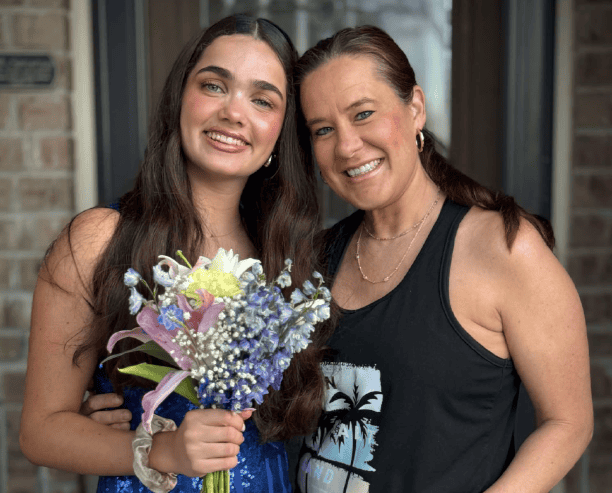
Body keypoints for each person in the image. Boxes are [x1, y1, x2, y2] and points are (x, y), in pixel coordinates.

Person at [20, 14, 331, 493]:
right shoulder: (99, 240)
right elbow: (41, 432)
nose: (233, 112)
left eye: (262, 99)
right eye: (213, 85)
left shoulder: (288, 262)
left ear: (279, 135)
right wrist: (157, 449)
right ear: (180, 99)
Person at [289, 26, 593, 493]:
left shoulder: (504, 247)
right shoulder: (317, 257)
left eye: (363, 114)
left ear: (415, 108)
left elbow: (568, 423)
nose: (346, 146)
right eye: (323, 130)